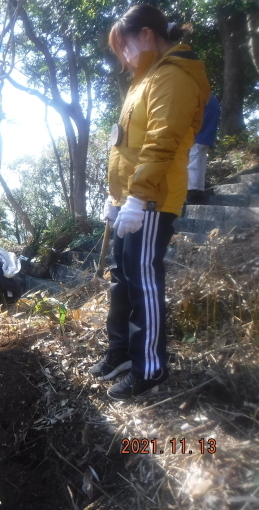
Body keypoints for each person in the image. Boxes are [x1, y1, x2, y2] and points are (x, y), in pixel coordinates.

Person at [94, 5, 210, 400]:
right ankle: (121, 353)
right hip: (132, 199)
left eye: (124, 46)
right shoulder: (147, 79)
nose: (124, 56)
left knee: (143, 281)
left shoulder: (173, 77)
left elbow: (162, 142)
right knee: (122, 280)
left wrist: (138, 198)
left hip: (152, 200)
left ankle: (151, 368)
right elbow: (128, 145)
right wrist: (117, 198)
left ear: (146, 35)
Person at [186, 93, 220, 204]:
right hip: (207, 137)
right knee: (200, 163)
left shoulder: (200, 98)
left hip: (197, 136)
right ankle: (199, 190)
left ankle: (192, 191)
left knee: (192, 163)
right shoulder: (212, 99)